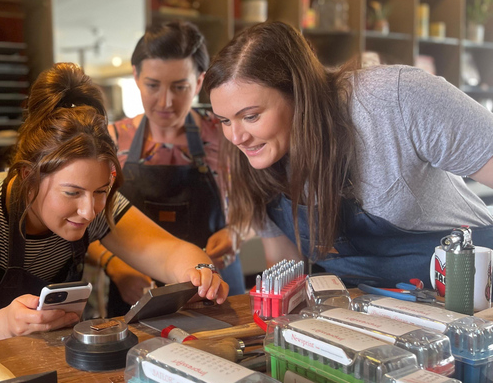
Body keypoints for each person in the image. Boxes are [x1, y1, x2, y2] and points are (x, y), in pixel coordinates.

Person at [0, 62, 228, 357]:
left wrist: (198, 272)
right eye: (72, 192)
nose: (88, 211)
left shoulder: (98, 205)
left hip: (22, 356)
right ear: (29, 176)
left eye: (100, 191)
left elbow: (169, 252)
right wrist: (7, 324)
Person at [204, 21, 493, 287]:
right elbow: (284, 270)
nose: (236, 137)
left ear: (298, 93)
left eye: (251, 116)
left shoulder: (394, 99)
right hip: (365, 314)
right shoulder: (257, 159)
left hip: (472, 290)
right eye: (225, 121)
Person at [87, 20, 244, 319]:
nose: (165, 102)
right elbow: (83, 223)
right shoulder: (110, 141)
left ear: (199, 82)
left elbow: (257, 206)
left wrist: (238, 232)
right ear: (136, 76)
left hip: (214, 288)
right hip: (136, 291)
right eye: (153, 85)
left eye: (179, 87)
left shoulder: (226, 135)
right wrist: (117, 267)